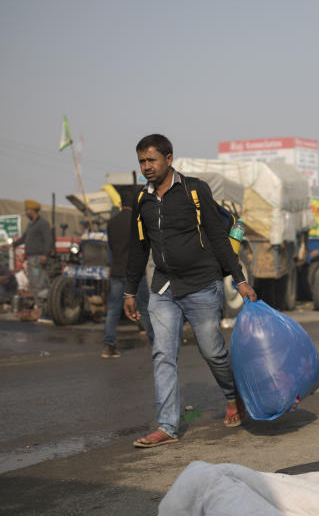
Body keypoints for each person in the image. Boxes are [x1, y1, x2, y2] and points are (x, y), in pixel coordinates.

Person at [124, 134, 257, 448]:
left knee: (212, 351)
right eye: (142, 161)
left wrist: (239, 279)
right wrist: (130, 291)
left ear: (169, 159)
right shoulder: (142, 200)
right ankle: (168, 426)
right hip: (163, 289)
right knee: (162, 355)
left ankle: (231, 396)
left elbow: (218, 237)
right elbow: (138, 248)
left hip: (201, 285)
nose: (146, 167)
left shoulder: (195, 191)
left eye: (151, 160)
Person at [102, 197, 153, 358]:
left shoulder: (111, 222)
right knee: (145, 308)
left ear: (120, 204)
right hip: (135, 273)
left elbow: (110, 247)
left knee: (113, 309)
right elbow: (144, 246)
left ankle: (109, 346)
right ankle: (156, 344)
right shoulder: (137, 221)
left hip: (117, 271)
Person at [12, 199, 53, 321]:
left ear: (32, 210)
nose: (26, 212)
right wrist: (13, 244)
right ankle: (40, 309)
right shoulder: (30, 225)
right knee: (34, 285)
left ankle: (45, 311)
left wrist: (45, 254)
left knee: (41, 285)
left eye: (27, 210)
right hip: (31, 259)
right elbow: (24, 238)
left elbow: (48, 240)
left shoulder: (43, 223)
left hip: (38, 258)